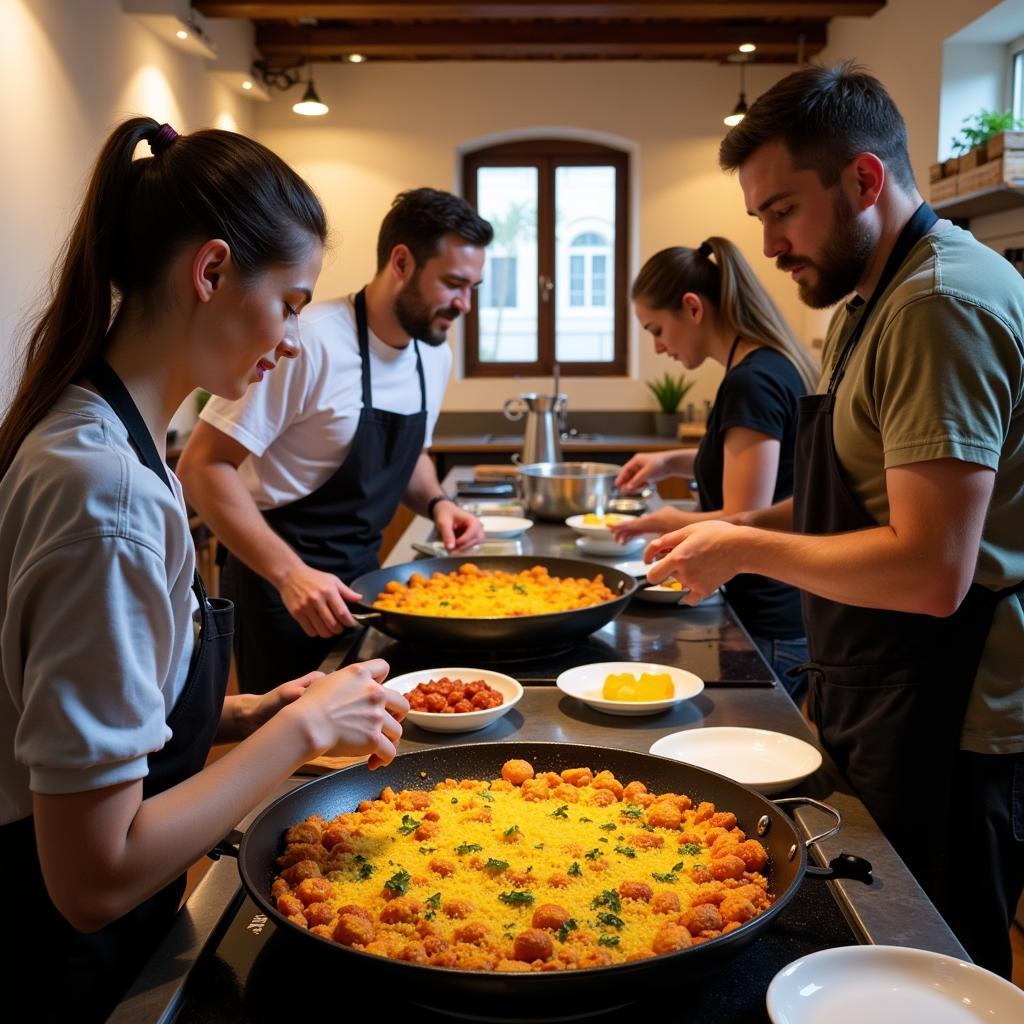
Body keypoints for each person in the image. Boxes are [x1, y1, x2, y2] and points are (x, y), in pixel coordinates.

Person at [0, 118, 408, 1023]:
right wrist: (297, 737)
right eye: (292, 303)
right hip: (60, 967)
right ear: (212, 272)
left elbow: (77, 719)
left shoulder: (97, 435)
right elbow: (92, 878)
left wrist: (244, 711)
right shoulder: (106, 498)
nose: (294, 339)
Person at [643, 63, 1024, 976]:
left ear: (863, 179)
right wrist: (727, 536)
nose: (768, 245)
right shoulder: (869, 300)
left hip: (953, 708)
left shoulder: (940, 306)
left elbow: (933, 569)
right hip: (880, 680)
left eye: (783, 210)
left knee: (935, 966)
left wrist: (742, 542)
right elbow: (844, 497)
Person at [178, 188, 491, 694]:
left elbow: (410, 457)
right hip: (277, 586)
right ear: (403, 262)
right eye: (454, 284)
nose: (464, 304)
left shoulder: (433, 355)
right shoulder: (310, 341)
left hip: (363, 581)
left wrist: (437, 503)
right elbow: (202, 466)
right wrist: (289, 575)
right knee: (288, 756)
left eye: (473, 287)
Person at [611, 239, 817, 699]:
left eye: (656, 329)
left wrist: (671, 523)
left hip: (767, 616)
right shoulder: (765, 364)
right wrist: (668, 460)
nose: (659, 346)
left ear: (692, 307)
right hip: (780, 609)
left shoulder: (752, 381)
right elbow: (753, 463)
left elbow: (743, 514)